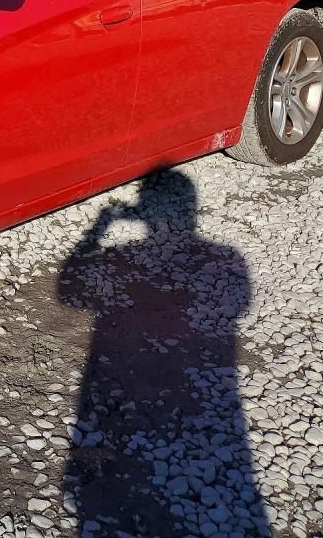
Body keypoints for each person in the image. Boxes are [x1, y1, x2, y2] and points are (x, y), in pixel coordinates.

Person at [58, 169, 270, 537]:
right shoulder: (228, 257)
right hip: (212, 395)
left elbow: (67, 291)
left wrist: (100, 227)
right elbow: (241, 304)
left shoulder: (124, 253)